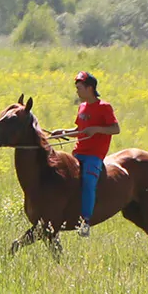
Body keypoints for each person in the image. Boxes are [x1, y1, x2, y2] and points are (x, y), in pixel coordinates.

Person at [51, 71, 119, 236]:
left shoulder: (104, 107)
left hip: (94, 156)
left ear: (90, 88)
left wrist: (96, 129)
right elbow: (79, 130)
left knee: (88, 181)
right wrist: (63, 132)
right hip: (78, 153)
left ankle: (85, 221)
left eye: (79, 88)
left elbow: (115, 129)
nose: (77, 91)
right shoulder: (82, 107)